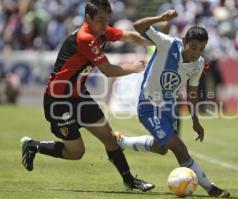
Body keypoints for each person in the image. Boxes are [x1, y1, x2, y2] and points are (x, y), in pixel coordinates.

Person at [20, 0, 155, 192]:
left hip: (80, 96)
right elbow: (108, 70)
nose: (105, 24)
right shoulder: (86, 38)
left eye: (107, 19)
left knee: (109, 137)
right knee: (76, 152)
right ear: (87, 19)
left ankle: (129, 180)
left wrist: (157, 42)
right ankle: (33, 146)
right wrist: (132, 68)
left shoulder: (100, 31)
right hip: (59, 101)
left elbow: (131, 36)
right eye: (101, 20)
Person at [115, 9, 230, 197]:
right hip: (148, 105)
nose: (196, 53)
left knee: (162, 148)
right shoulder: (167, 43)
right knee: (178, 147)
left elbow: (192, 93)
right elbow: (138, 26)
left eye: (201, 49)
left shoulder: (198, 64)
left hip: (170, 107)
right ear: (185, 41)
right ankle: (211, 188)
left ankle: (122, 142)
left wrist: (195, 120)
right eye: (193, 47)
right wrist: (161, 18)